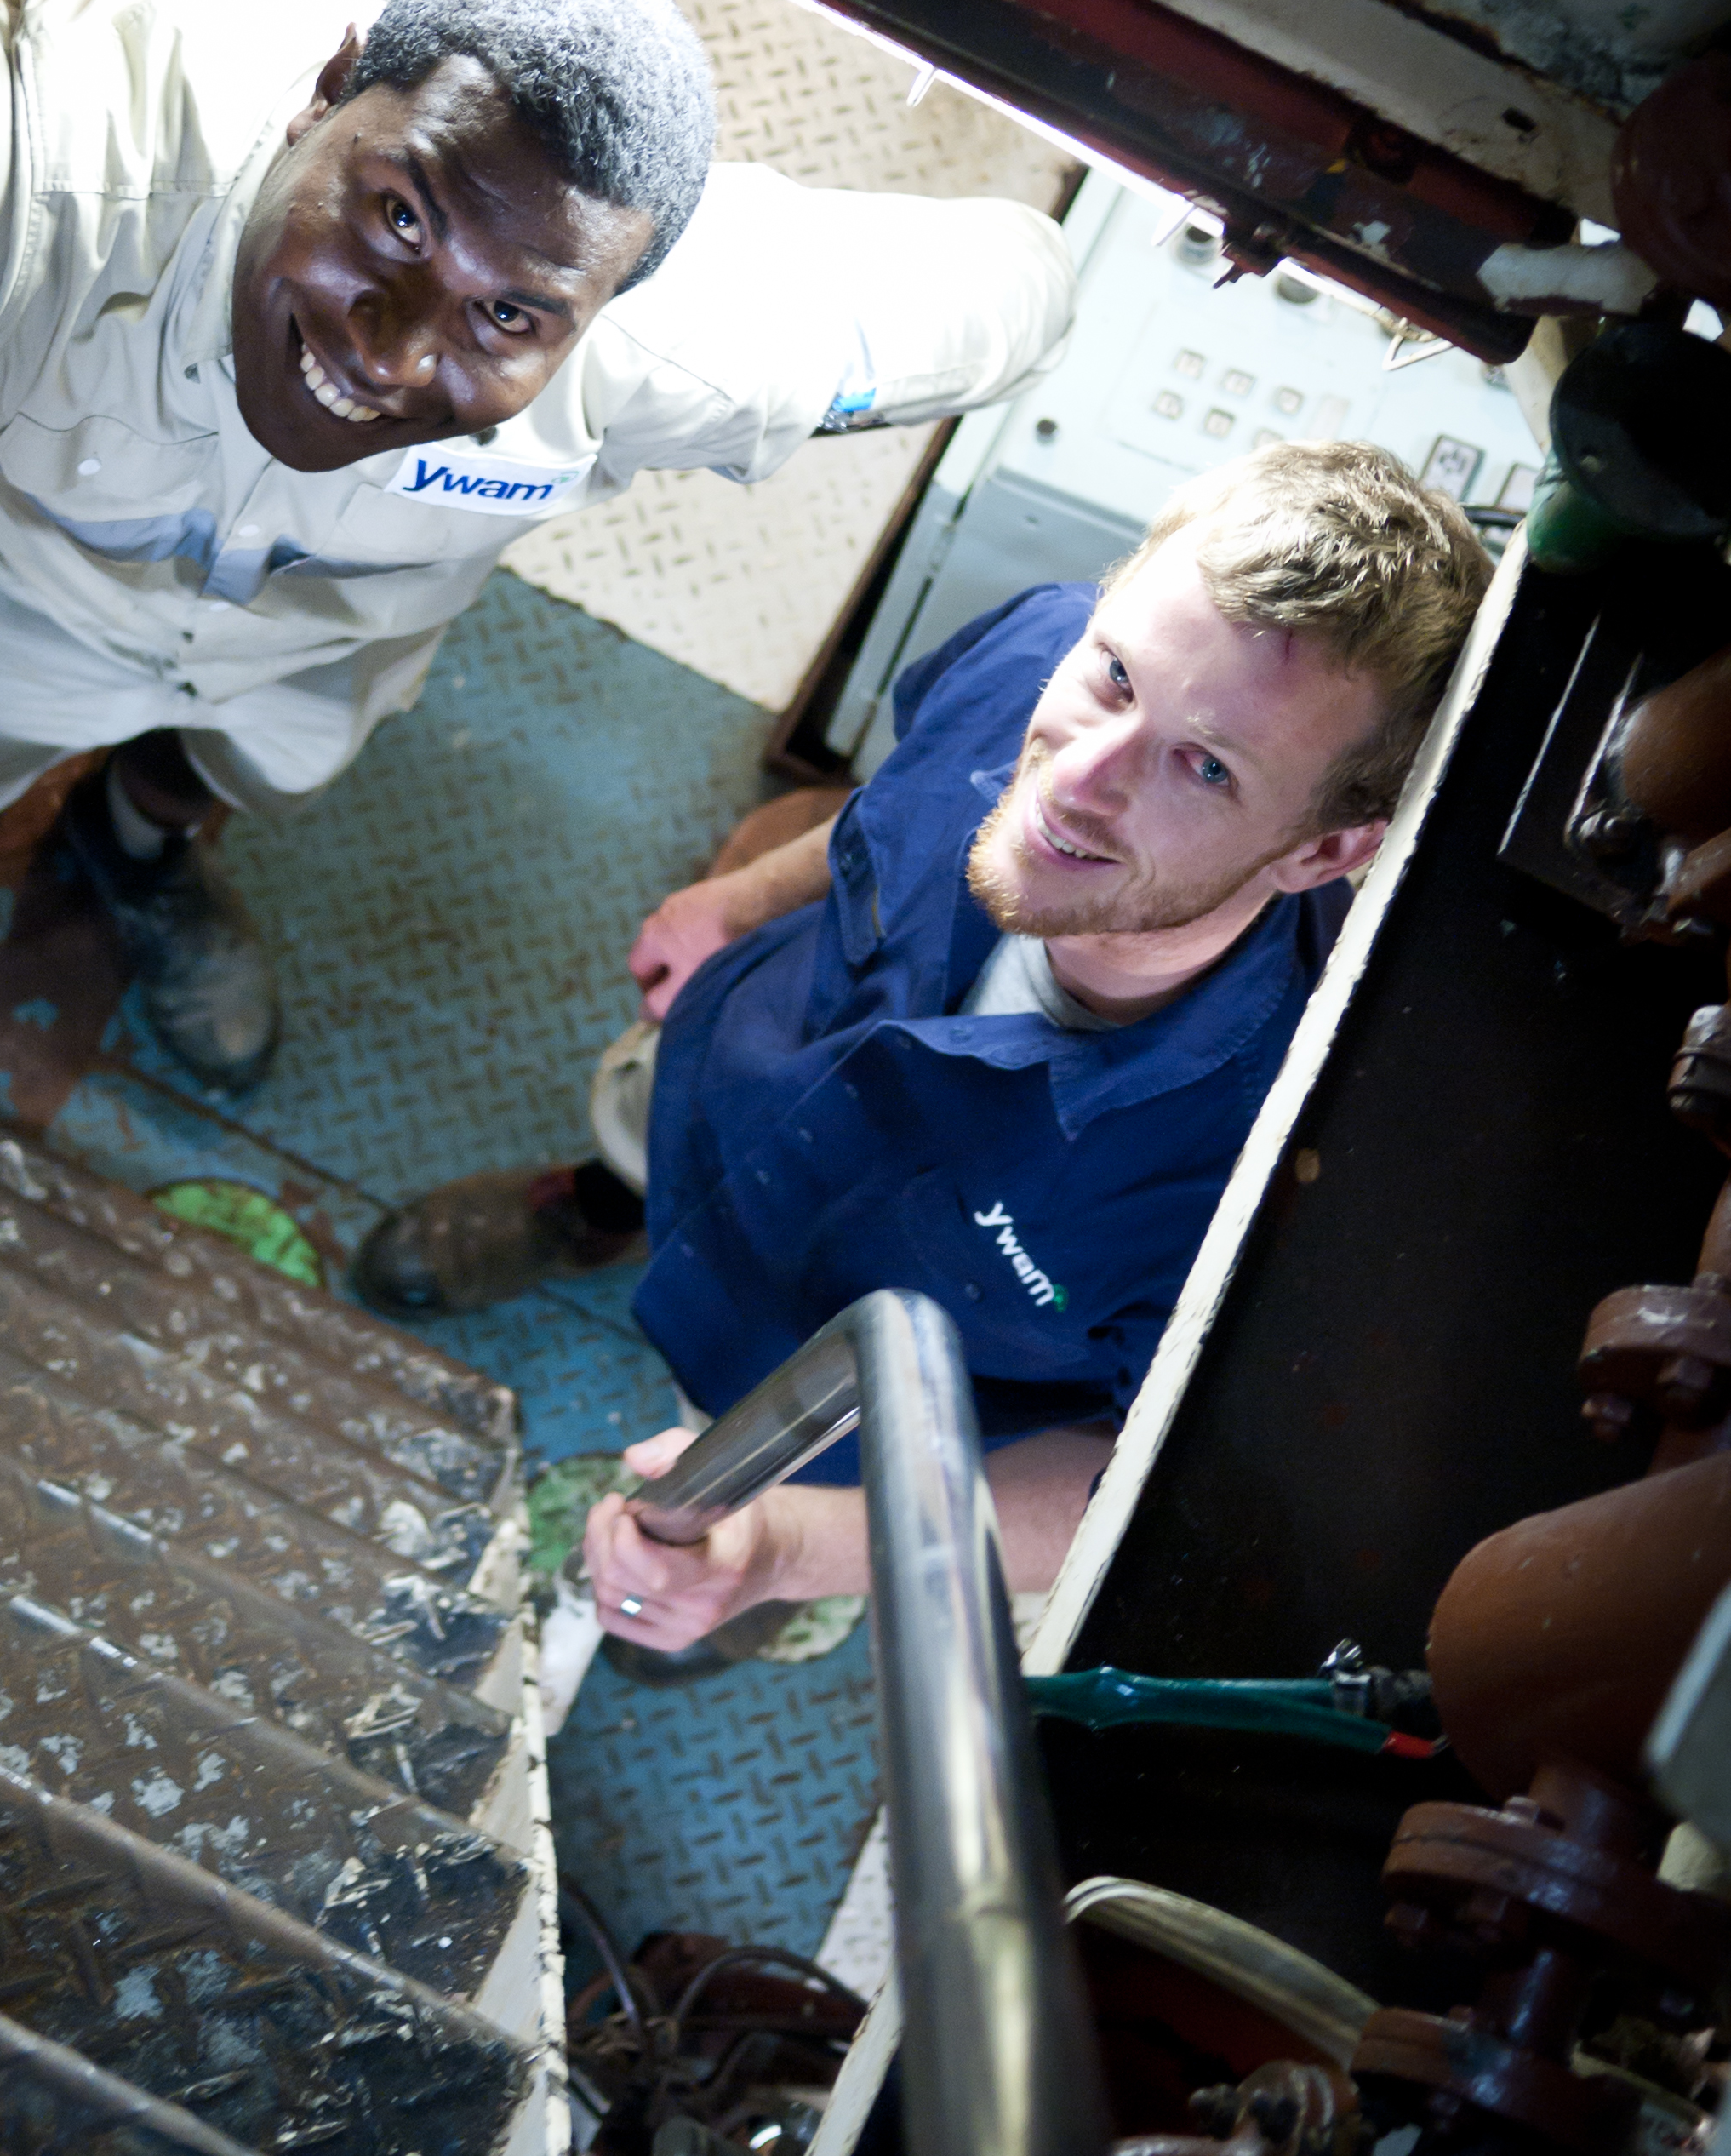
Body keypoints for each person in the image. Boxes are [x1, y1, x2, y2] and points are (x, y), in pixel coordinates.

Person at [0, 0, 1074, 1087]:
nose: (395, 356)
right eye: (400, 217)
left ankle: (140, 843)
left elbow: (1020, 298)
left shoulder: (672, 337)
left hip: (309, 658)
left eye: (509, 315)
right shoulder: (40, 170)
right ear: (330, 86)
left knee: (245, 760)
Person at [357, 443, 1493, 1655]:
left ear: (1321, 852)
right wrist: (738, 903)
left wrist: (792, 1545)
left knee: (718, 1561)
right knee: (636, 1125)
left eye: (1204, 766)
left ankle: (755, 1585)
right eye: (1114, 677)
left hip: (830, 1421)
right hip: (725, 1089)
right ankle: (595, 1205)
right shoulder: (1032, 654)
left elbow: (1128, 1464)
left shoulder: (1266, 1184)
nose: (1078, 781)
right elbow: (892, 793)